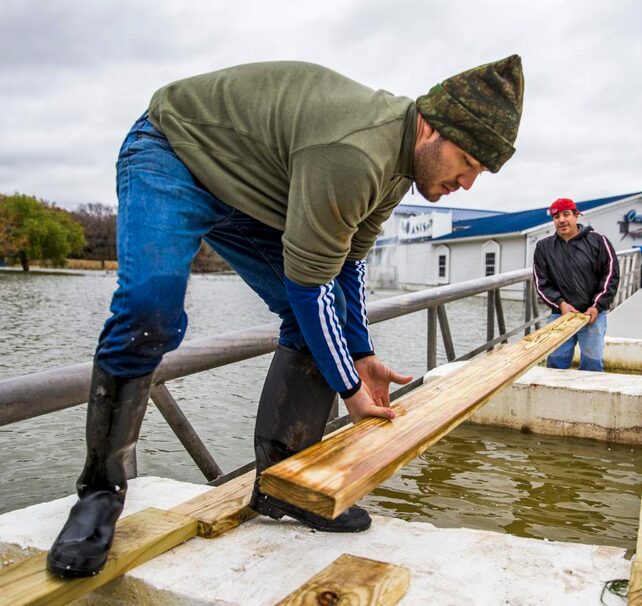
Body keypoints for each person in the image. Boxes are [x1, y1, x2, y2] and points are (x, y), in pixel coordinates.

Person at [47, 56, 524, 577]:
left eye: (480, 172)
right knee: (150, 311)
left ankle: (283, 485)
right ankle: (99, 493)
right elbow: (309, 284)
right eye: (469, 163)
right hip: (175, 152)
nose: (469, 183)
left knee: (318, 323)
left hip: (252, 190)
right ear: (431, 128)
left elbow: (349, 262)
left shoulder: (398, 168)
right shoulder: (355, 153)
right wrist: (349, 386)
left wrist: (361, 351)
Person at [533, 198, 619, 371]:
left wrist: (596, 306)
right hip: (560, 315)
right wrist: (561, 304)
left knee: (592, 363)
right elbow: (541, 283)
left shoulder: (599, 241)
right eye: (556, 217)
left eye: (566, 214)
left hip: (592, 315)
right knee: (556, 362)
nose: (562, 220)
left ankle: (592, 397)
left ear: (576, 215)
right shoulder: (544, 247)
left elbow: (610, 275)